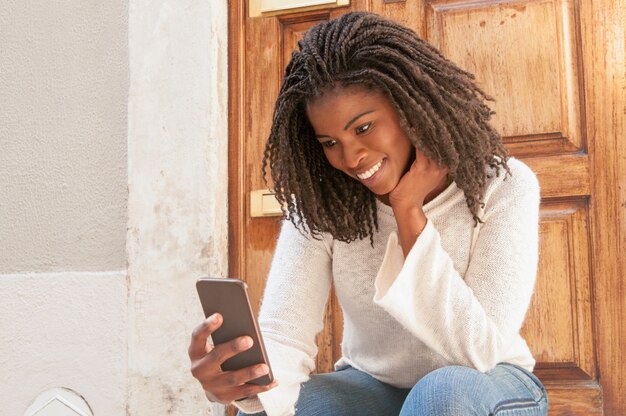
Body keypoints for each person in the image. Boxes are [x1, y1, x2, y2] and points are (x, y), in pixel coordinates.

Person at [188, 11, 548, 416]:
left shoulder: (504, 184)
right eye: (329, 141)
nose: (350, 157)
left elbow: (479, 352)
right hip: (375, 387)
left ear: (410, 107)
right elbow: (284, 336)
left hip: (487, 386)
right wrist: (243, 384)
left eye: (362, 128)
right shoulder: (325, 202)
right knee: (297, 408)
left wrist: (409, 214)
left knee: (441, 395)